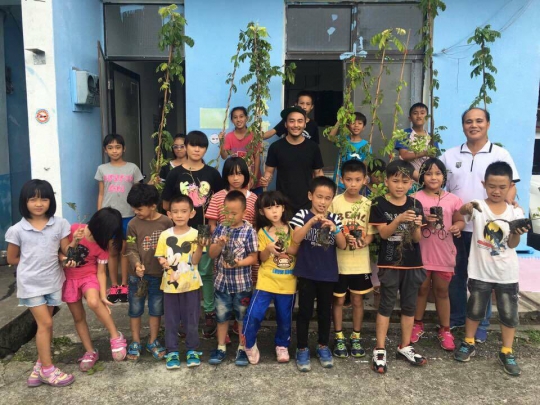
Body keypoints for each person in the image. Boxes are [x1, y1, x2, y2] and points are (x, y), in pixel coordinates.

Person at [440, 107, 520, 342]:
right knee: (456, 276)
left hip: (487, 231)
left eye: (478, 121)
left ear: (488, 124)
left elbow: (511, 186)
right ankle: (457, 320)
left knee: (483, 279)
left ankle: (482, 324)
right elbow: (437, 185)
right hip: (457, 228)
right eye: (468, 121)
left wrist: (509, 207)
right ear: (463, 125)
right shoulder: (450, 155)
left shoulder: (500, 154)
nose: (473, 125)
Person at [453, 161, 530, 377]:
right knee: (474, 309)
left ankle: (507, 351)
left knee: (509, 313)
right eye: (492, 186)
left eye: (502, 187)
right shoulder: (478, 206)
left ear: (510, 187)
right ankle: (469, 342)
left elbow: (512, 244)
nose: (496, 191)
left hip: (507, 273)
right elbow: (461, 212)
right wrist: (466, 207)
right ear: (484, 184)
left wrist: (517, 232)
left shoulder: (515, 211)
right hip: (480, 272)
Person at [6, 179, 75, 387]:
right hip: (30, 284)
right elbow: (12, 258)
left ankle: (39, 366)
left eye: (44, 199)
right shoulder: (17, 230)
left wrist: (74, 245)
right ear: (24, 201)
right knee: (45, 323)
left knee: (45, 325)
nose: (38, 204)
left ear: (50, 201)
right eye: (33, 199)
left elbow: (64, 251)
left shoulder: (60, 224)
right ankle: (47, 370)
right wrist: (33, 263)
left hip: (53, 281)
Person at [162, 130, 224, 338]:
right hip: (181, 231)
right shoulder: (175, 174)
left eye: (202, 146)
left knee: (205, 273)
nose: (197, 149)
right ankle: (183, 316)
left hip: (204, 229)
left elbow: (220, 202)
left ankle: (209, 312)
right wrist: (180, 219)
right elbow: (166, 204)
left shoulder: (212, 174)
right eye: (193, 145)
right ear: (185, 147)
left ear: (206, 149)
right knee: (181, 270)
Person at [369, 160, 427, 374]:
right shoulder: (378, 203)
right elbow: (384, 234)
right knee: (386, 306)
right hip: (389, 263)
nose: (400, 186)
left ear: (411, 183)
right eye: (395, 181)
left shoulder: (415, 204)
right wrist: (400, 219)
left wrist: (416, 226)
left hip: (413, 263)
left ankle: (405, 345)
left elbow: (417, 239)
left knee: (409, 307)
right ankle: (380, 348)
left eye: (405, 181)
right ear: (386, 182)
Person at [291, 176, 347, 372]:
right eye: (319, 197)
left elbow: (343, 245)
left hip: (327, 274)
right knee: (304, 312)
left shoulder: (335, 219)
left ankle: (323, 346)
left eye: (327, 198)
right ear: (310, 196)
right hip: (306, 273)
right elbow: (296, 238)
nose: (323, 202)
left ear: (332, 199)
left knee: (325, 312)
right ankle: (302, 348)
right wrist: (310, 222)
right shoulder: (302, 215)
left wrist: (335, 229)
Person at [62, 208, 128, 372]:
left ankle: (115, 336)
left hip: (88, 277)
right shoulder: (74, 229)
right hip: (69, 279)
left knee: (93, 301)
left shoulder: (102, 246)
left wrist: (103, 296)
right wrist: (74, 242)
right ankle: (90, 351)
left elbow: (101, 272)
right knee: (78, 317)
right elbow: (62, 252)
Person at [411, 158, 465, 351]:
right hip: (421, 254)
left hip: (444, 254)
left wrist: (457, 227)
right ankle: (417, 324)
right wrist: (425, 221)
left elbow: (460, 220)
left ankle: (445, 329)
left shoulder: (453, 199)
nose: (433, 177)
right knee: (421, 290)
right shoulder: (414, 198)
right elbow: (410, 226)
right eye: (428, 173)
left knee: (442, 292)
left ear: (444, 177)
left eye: (437, 173)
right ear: (422, 177)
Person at [242, 191, 299, 364]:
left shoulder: (293, 228)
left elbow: (297, 250)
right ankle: (248, 344)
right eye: (269, 208)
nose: (274, 211)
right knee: (254, 314)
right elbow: (261, 257)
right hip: (266, 281)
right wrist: (269, 248)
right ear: (261, 212)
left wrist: (285, 248)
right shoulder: (262, 232)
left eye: (277, 206)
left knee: (284, 318)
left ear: (283, 208)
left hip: (288, 282)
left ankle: (282, 345)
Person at [206, 157, 259, 336]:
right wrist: (218, 241)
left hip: (246, 248)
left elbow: (256, 224)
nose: (236, 178)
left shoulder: (253, 198)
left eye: (239, 174)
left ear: (246, 175)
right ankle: (223, 332)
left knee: (243, 292)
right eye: (231, 174)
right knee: (224, 294)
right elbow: (212, 224)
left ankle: (239, 325)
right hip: (223, 248)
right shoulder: (218, 196)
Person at [329, 160, 375, 359]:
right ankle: (339, 336)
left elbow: (371, 233)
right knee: (338, 300)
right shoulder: (335, 202)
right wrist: (341, 237)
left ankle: (356, 336)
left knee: (357, 300)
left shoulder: (368, 204)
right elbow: (328, 230)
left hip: (360, 263)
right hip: (339, 261)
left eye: (357, 179)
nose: (353, 184)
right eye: (349, 179)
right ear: (341, 180)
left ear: (365, 180)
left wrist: (364, 241)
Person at [155, 195, 206, 369]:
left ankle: (192, 350)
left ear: (191, 213)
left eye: (183, 211)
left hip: (191, 284)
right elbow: (160, 256)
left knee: (192, 319)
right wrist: (162, 261)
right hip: (170, 286)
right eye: (175, 212)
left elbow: (196, 261)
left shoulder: (196, 234)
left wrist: (200, 246)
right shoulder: (164, 235)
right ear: (169, 214)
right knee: (171, 320)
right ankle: (172, 351)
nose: (179, 215)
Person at [208, 191, 258, 366]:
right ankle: (221, 347)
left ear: (244, 212)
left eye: (234, 213)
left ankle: (242, 348)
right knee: (221, 317)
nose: (230, 217)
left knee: (242, 318)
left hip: (242, 284)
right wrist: (219, 244)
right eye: (226, 212)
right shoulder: (220, 228)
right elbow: (211, 254)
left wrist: (239, 263)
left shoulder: (249, 231)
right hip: (222, 283)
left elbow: (254, 257)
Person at [125, 184, 173, 361]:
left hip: (159, 275)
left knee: (156, 309)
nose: (135, 211)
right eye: (134, 208)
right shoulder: (132, 224)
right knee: (135, 308)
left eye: (139, 209)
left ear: (153, 206)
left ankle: (153, 341)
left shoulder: (166, 223)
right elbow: (131, 248)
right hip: (137, 276)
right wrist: (137, 264)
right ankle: (135, 341)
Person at [95, 133, 144, 303]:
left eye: (117, 147)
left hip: (128, 215)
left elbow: (138, 192)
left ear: (124, 149)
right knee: (112, 251)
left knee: (125, 250)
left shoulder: (133, 168)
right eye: (110, 147)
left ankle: (124, 284)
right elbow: (101, 193)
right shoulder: (102, 169)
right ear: (105, 150)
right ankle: (114, 284)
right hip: (109, 217)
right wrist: (99, 215)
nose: (114, 151)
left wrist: (138, 211)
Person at [261, 106, 324, 214]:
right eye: (291, 121)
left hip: (307, 204)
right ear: (285, 124)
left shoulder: (313, 147)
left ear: (304, 124)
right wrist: (266, 179)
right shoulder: (275, 147)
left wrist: (322, 195)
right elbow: (269, 171)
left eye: (300, 121)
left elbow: (318, 173)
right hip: (283, 205)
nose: (296, 125)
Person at [219, 107, 262, 193]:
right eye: (235, 117)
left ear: (247, 118)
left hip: (252, 181)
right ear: (232, 120)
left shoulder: (254, 136)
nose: (238, 120)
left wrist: (254, 178)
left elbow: (257, 158)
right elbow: (224, 156)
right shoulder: (229, 137)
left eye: (241, 116)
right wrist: (221, 142)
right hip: (237, 182)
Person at [328, 112, 371, 193]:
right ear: (348, 126)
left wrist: (363, 180)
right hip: (340, 182)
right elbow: (330, 138)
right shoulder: (343, 140)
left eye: (360, 123)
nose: (356, 125)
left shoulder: (366, 145)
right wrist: (340, 121)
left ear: (364, 127)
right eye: (353, 123)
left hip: (356, 184)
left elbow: (365, 165)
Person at [395, 103, 440, 180]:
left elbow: (435, 157)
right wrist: (424, 153)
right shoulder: (404, 134)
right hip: (408, 178)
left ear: (427, 117)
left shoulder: (432, 137)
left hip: (427, 179)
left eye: (422, 113)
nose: (419, 116)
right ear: (410, 118)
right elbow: (403, 156)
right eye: (415, 113)